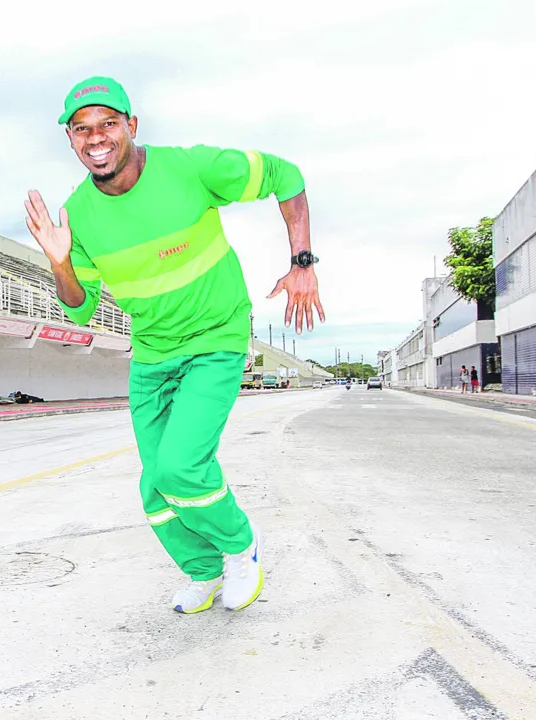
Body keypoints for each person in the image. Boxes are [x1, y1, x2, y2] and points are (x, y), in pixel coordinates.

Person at [24, 76, 324, 614]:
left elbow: (288, 175)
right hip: (153, 356)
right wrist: (61, 261)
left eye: (108, 124)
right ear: (70, 139)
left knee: (182, 467)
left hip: (216, 338)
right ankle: (204, 571)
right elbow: (80, 306)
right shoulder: (78, 215)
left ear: (131, 126)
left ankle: (239, 545)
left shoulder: (192, 168)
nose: (96, 138)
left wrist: (302, 261)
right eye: (82, 129)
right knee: (155, 488)